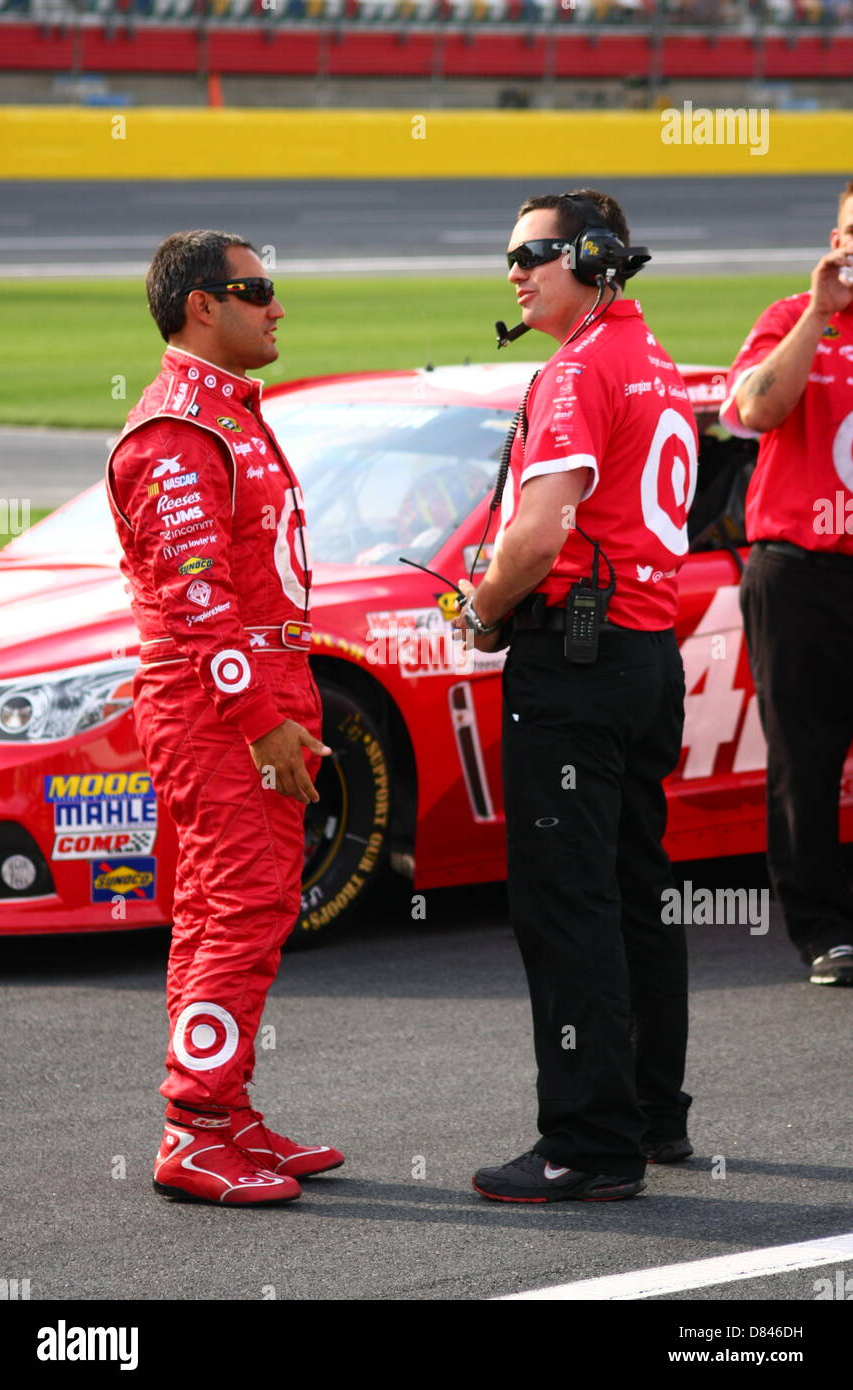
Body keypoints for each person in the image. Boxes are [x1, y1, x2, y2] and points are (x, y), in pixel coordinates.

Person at [454, 190, 698, 1202]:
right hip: (644, 658)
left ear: (595, 258)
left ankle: (586, 1145)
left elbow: (542, 533)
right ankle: (649, 1117)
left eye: (534, 253)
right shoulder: (652, 360)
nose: (513, 270)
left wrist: (477, 606)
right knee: (633, 889)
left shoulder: (579, 366)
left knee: (566, 902)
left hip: (578, 664)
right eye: (508, 253)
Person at [106, 230, 344, 1205]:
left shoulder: (227, 414)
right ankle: (194, 1126)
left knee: (221, 908)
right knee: (240, 907)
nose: (276, 306)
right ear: (201, 305)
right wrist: (258, 717)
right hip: (216, 700)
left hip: (244, 687)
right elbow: (198, 595)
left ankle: (222, 1106)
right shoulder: (179, 430)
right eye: (257, 290)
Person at [720, 181, 853, 988]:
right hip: (799, 572)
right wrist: (818, 313)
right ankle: (824, 931)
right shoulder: (789, 316)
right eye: (851, 231)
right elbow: (752, 413)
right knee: (805, 759)